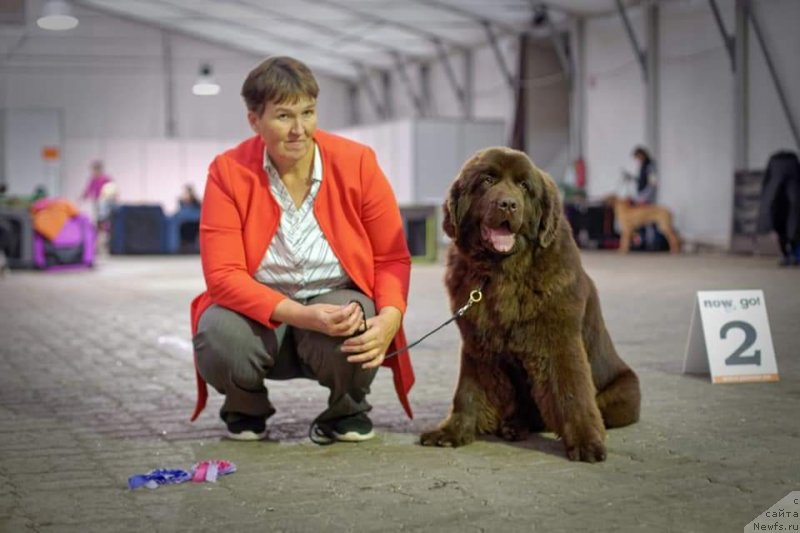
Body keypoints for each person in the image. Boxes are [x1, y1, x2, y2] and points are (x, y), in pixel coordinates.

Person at [190, 56, 414, 443]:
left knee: (361, 319)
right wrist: (304, 316)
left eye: (308, 113)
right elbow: (223, 276)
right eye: (283, 116)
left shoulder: (358, 162)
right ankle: (246, 407)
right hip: (258, 309)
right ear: (254, 121)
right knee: (219, 335)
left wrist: (391, 317)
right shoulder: (227, 172)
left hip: (335, 295)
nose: (299, 130)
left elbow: (391, 257)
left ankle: (348, 408)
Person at [82, 161, 114, 230]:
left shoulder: (105, 178)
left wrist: (113, 197)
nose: (93, 172)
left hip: (105, 200)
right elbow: (89, 189)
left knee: (104, 215)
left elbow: (112, 188)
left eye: (94, 170)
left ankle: (106, 228)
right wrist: (84, 196)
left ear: (99, 170)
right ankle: (100, 229)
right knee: (99, 215)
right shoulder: (93, 179)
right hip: (97, 200)